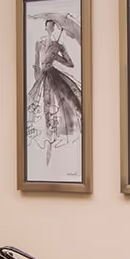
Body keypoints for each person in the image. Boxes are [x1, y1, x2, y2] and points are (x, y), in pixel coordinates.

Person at [26, 16, 83, 171]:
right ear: (46, 28)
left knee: (61, 103)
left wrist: (57, 57)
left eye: (54, 27)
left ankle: (55, 146)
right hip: (42, 77)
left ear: (56, 29)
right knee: (42, 107)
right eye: (49, 26)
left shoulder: (59, 45)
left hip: (54, 75)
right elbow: (36, 63)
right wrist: (37, 80)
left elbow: (70, 63)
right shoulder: (39, 43)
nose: (52, 29)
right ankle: (47, 151)